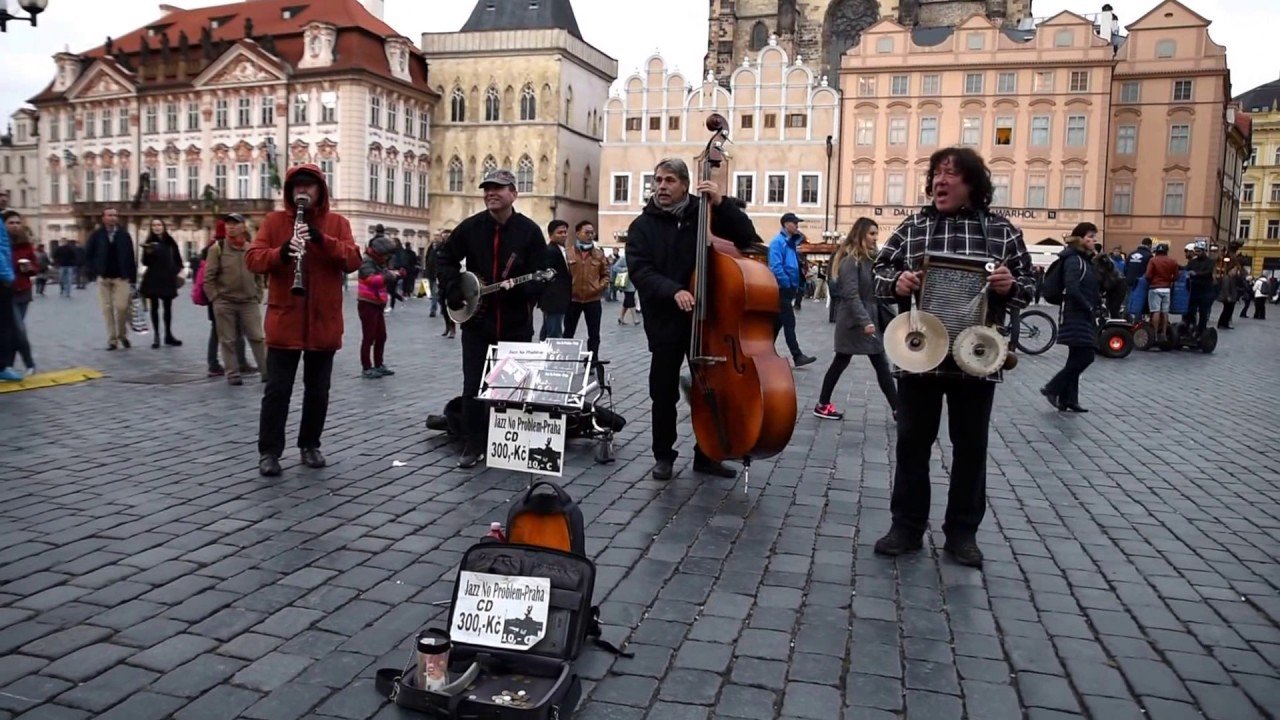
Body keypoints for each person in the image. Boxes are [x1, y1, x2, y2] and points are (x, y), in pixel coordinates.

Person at [871, 147, 1035, 568]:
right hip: (920, 354)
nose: (940, 181)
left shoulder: (1001, 232)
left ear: (973, 185)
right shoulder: (914, 226)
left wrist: (1009, 285)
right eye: (936, 174)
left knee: (970, 448)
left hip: (976, 357)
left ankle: (962, 534)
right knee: (911, 445)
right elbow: (878, 273)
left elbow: (1031, 288)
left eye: (952, 175)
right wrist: (899, 282)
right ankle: (906, 528)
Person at [626, 157, 761, 481]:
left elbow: (747, 238)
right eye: (657, 180)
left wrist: (721, 203)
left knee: (712, 388)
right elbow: (641, 270)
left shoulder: (707, 215)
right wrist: (674, 290)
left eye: (669, 180)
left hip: (710, 320)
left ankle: (709, 453)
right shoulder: (642, 226)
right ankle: (664, 455)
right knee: (663, 392)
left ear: (685, 185)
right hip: (666, 320)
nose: (661, 186)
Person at [245, 164, 361, 477]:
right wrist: (282, 252)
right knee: (277, 391)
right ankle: (269, 451)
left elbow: (353, 260)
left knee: (318, 390)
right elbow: (253, 259)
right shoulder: (274, 221)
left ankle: (310, 444)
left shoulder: (338, 223)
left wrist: (323, 240)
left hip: (323, 322)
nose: (303, 191)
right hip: (286, 320)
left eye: (309, 187)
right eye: (297, 187)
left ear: (320, 191)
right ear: (289, 191)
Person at [437, 169, 548, 469]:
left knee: (513, 386)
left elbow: (543, 274)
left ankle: (509, 444)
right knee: (473, 385)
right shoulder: (471, 228)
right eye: (487, 189)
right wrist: (454, 288)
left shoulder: (529, 231)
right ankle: (474, 443)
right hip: (477, 323)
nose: (491, 194)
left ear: (514, 193)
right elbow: (444, 258)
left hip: (515, 324)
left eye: (498, 188)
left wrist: (526, 290)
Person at [814, 218, 898, 421]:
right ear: (860, 234)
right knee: (843, 361)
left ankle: (898, 409)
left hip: (868, 318)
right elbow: (851, 294)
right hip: (854, 322)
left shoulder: (870, 258)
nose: (875, 238)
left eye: (876, 234)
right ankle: (823, 404)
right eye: (871, 234)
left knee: (878, 364)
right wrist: (865, 321)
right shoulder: (851, 260)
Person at [1040, 224, 1100, 413]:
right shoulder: (1074, 259)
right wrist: (1088, 306)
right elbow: (1072, 288)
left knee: (1075, 357)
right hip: (1075, 314)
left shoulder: (1083, 259)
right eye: (1091, 236)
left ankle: (1069, 399)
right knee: (1086, 356)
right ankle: (1052, 387)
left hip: (1080, 312)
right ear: (1081, 239)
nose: (1094, 240)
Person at [204, 213, 269, 387]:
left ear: (243, 227)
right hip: (225, 301)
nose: (231, 227)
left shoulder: (251, 248)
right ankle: (232, 373)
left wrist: (258, 294)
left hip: (248, 301)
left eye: (235, 224)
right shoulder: (217, 249)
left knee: (257, 337)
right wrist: (215, 299)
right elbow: (208, 277)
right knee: (228, 340)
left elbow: (258, 275)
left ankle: (266, 371)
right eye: (228, 224)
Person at [84, 208, 137, 351]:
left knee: (122, 307)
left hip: (121, 277)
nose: (113, 218)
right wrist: (94, 271)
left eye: (115, 215)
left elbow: (131, 257)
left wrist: (133, 278)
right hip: (104, 277)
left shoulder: (124, 235)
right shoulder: (96, 235)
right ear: (103, 218)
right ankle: (112, 339)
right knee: (107, 308)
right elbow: (88, 254)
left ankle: (122, 334)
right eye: (109, 215)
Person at [768, 213, 817, 367]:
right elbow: (776, 265)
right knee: (789, 322)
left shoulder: (789, 243)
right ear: (785, 224)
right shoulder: (778, 242)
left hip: (788, 288)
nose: (797, 226)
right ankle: (797, 356)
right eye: (794, 223)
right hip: (782, 288)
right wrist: (787, 283)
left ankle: (766, 352)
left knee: (778, 323)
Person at [563, 221, 610, 362]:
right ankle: (565, 361)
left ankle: (592, 361)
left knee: (594, 334)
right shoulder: (568, 253)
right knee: (568, 332)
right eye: (587, 232)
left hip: (593, 300)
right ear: (577, 234)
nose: (590, 236)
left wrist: (599, 288)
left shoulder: (599, 254)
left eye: (592, 233)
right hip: (573, 300)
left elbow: (606, 275)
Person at [357, 236, 401, 379]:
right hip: (367, 303)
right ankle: (366, 367)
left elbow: (383, 277)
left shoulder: (379, 262)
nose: (388, 257)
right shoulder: (366, 262)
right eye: (386, 254)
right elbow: (373, 280)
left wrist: (395, 275)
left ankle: (378, 364)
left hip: (377, 303)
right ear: (379, 252)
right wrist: (390, 276)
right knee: (369, 337)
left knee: (381, 336)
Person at [139, 218, 185, 349]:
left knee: (168, 308)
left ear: (163, 227)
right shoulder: (149, 242)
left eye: (159, 225)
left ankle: (168, 335)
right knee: (154, 307)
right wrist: (148, 253)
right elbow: (145, 262)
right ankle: (157, 336)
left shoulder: (170, 241)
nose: (156, 227)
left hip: (167, 277)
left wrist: (177, 271)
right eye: (154, 225)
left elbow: (178, 259)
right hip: (153, 277)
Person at [2, 210, 37, 376]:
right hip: (8, 291)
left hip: (24, 291)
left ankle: (8, 365)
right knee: (18, 329)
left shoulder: (25, 244)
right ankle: (29, 363)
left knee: (15, 330)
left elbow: (36, 267)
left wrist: (30, 268)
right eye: (11, 223)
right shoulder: (3, 244)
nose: (15, 226)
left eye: (17, 223)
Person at [538, 220, 572, 340]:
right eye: (560, 232)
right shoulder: (550, 251)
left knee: (548, 329)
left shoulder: (560, 249)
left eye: (565, 232)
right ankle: (550, 356)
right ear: (551, 235)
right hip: (554, 300)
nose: (564, 235)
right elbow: (547, 276)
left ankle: (542, 351)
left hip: (557, 299)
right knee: (554, 332)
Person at [1143, 243, 1178, 343]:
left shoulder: (1153, 260)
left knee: (1155, 311)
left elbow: (1148, 275)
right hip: (1166, 288)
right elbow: (1176, 276)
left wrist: (1151, 281)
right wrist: (1169, 280)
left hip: (1155, 288)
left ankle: (1154, 334)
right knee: (1165, 311)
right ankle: (1163, 333)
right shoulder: (1172, 261)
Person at [0, 201, 18, 382]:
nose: (4, 198)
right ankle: (2, 367)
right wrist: (8, 276)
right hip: (2, 280)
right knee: (5, 325)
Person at [1181, 241, 1215, 337]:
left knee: (1203, 313)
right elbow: (1185, 269)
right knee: (1190, 311)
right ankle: (1190, 327)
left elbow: (1208, 272)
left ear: (1204, 251)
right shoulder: (1192, 262)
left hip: (1206, 291)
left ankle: (1201, 331)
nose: (1197, 253)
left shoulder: (1210, 262)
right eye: (1196, 251)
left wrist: (1195, 273)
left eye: (1199, 251)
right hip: (1194, 291)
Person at [615, 253, 639, 325]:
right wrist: (624, 269)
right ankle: (635, 319)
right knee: (630, 299)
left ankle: (621, 318)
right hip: (626, 283)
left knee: (627, 301)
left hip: (634, 282)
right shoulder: (624, 258)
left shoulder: (637, 258)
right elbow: (615, 267)